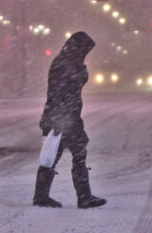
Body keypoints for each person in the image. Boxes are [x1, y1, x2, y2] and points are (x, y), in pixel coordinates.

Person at [33, 31, 107, 209]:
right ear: (77, 48)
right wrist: (58, 121)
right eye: (84, 50)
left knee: (66, 155)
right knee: (57, 155)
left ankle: (47, 196)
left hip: (67, 116)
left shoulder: (68, 62)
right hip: (62, 118)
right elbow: (59, 93)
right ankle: (81, 197)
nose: (85, 54)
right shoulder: (64, 65)